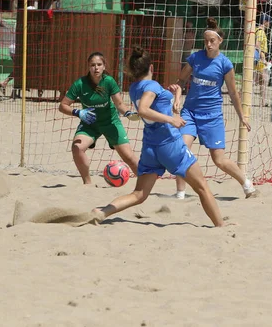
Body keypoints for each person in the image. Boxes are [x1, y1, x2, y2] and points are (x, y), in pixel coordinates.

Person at [91, 46, 226, 227]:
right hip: (170, 145)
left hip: (150, 147)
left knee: (139, 194)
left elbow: (154, 106)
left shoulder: (134, 88)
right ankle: (220, 226)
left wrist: (175, 95)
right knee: (202, 187)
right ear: (152, 68)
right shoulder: (152, 86)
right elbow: (144, 110)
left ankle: (102, 212)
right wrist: (172, 119)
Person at [172, 17, 257, 200]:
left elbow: (234, 94)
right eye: (206, 41)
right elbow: (180, 82)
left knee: (218, 160)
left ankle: (247, 184)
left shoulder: (225, 64)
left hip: (212, 116)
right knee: (181, 150)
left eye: (212, 41)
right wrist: (177, 98)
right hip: (190, 113)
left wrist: (242, 116)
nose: (208, 44)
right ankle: (180, 194)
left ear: (220, 41)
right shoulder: (195, 58)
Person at [58, 51, 139, 185]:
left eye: (99, 64)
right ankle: (87, 183)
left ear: (104, 66)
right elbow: (63, 106)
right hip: (90, 123)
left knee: (129, 157)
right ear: (88, 67)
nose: (96, 68)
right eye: (92, 65)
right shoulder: (80, 84)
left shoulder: (109, 81)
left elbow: (119, 103)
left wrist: (128, 113)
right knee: (77, 148)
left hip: (110, 122)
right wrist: (78, 112)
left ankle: (145, 184)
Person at [255, 13, 271, 107]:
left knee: (257, 80)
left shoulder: (258, 30)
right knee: (264, 80)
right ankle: (263, 102)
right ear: (265, 22)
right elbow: (257, 45)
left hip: (257, 58)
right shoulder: (261, 32)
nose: (269, 24)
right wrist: (263, 59)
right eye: (269, 22)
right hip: (259, 58)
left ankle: (262, 102)